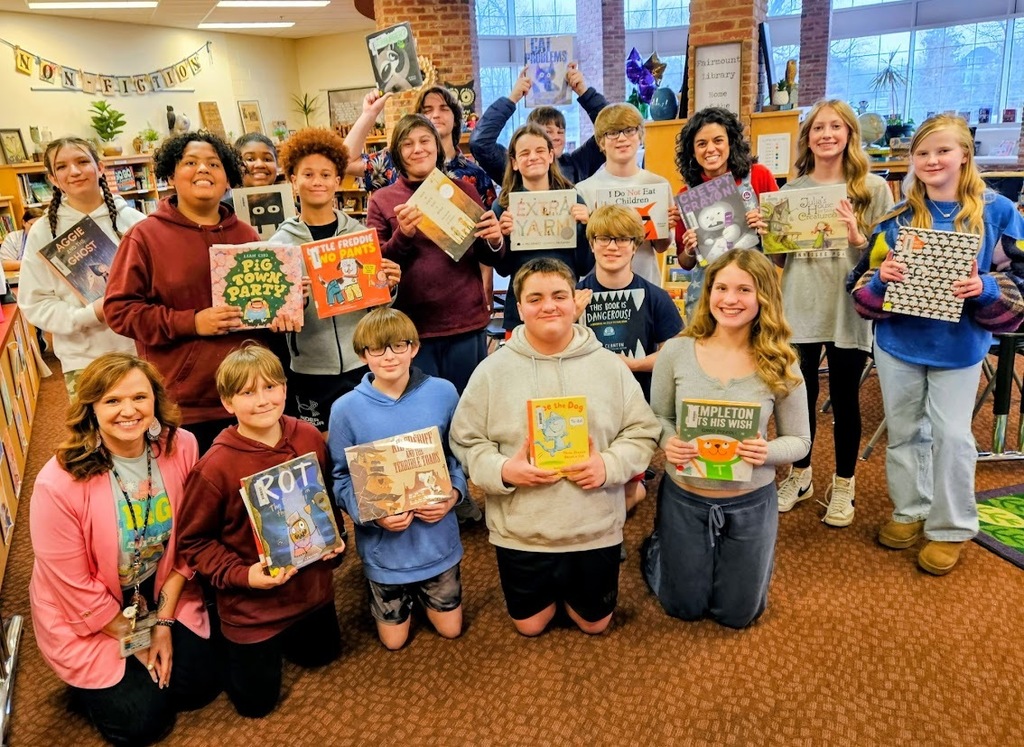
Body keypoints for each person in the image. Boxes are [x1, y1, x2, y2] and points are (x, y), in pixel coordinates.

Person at [850, 114, 1024, 576]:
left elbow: (1018, 280)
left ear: (964, 154)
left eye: (942, 151)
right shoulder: (897, 217)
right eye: (922, 153)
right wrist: (880, 279)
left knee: (952, 437)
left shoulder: (998, 215)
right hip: (899, 342)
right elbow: (860, 281)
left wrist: (985, 287)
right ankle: (911, 508)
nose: (931, 160)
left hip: (960, 346)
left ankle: (951, 525)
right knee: (905, 431)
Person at [450, 257, 660, 637]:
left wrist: (609, 466)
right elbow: (465, 439)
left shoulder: (609, 366)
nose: (548, 306)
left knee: (594, 625)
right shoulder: (491, 371)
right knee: (530, 626)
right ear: (519, 307)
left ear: (576, 301)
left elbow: (643, 432)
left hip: (592, 526)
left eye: (559, 295)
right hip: (522, 530)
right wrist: (501, 471)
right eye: (535, 298)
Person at [29, 353, 219, 746]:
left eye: (139, 397)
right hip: (92, 605)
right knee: (142, 724)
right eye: (112, 401)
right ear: (91, 409)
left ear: (155, 401)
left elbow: (189, 541)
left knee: (198, 688)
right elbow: (72, 584)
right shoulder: (57, 483)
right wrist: (136, 641)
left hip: (157, 585)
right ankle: (87, 689)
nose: (129, 411)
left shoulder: (180, 445)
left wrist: (163, 625)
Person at [643, 249, 810, 629]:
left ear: (763, 296)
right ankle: (658, 548)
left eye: (743, 290)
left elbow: (800, 441)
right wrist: (668, 441)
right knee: (681, 607)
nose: (730, 299)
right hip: (686, 495)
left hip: (749, 503)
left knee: (739, 614)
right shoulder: (677, 351)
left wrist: (766, 451)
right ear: (709, 292)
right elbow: (659, 418)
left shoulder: (780, 360)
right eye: (721, 288)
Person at [104, 131, 300, 454]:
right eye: (190, 163)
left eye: (214, 163)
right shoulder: (144, 237)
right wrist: (192, 322)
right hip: (187, 404)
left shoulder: (245, 234)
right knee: (198, 492)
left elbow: (262, 311)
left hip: (249, 396)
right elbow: (120, 310)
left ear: (227, 177)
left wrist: (286, 303)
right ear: (171, 174)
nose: (203, 170)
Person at [176, 344, 345, 717]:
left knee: (325, 656)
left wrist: (337, 542)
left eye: (270, 387)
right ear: (227, 403)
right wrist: (242, 575)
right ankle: (223, 642)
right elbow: (193, 542)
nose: (263, 400)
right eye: (247, 392)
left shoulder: (308, 437)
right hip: (252, 607)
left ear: (286, 389)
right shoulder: (214, 467)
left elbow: (325, 502)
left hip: (311, 591)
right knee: (256, 705)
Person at [770, 100, 895, 525]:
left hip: (847, 307)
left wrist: (859, 235)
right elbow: (780, 262)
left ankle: (844, 484)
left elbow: (884, 260)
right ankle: (801, 474)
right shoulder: (789, 193)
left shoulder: (873, 190)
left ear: (849, 135)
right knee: (799, 399)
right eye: (818, 127)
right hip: (800, 303)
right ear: (807, 137)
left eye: (835, 127)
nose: (826, 134)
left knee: (844, 398)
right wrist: (767, 233)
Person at [328, 308, 466, 650]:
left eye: (399, 345)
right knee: (394, 642)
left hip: (438, 542)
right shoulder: (345, 409)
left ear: (414, 348)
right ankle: (391, 594)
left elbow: (459, 456)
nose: (389, 356)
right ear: (363, 355)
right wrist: (372, 515)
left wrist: (454, 495)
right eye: (377, 349)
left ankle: (429, 592)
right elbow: (341, 478)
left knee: (451, 631)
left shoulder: (444, 393)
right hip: (384, 550)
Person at [269, 127, 401, 431]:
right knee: (320, 445)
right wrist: (292, 306)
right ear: (292, 180)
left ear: (338, 181)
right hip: (309, 369)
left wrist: (390, 287)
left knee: (367, 437)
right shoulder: (280, 244)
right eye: (308, 174)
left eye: (326, 175)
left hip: (362, 362)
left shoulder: (359, 235)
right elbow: (275, 321)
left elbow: (377, 299)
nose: (318, 182)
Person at [364, 114, 504, 395]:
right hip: (413, 333)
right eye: (408, 144)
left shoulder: (463, 191)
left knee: (469, 408)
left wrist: (496, 240)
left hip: (466, 323)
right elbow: (376, 269)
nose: (418, 149)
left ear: (438, 146)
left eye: (425, 140)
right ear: (397, 154)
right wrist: (403, 235)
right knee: (424, 414)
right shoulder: (383, 200)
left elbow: (489, 258)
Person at [19, 138, 145, 396]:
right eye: (62, 167)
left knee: (150, 427)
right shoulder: (43, 232)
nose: (74, 172)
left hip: (141, 350)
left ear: (100, 168)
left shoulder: (135, 221)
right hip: (83, 361)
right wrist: (91, 314)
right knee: (93, 434)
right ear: (53, 179)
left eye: (82, 162)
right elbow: (35, 303)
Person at [576, 205, 683, 509]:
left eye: (622, 239)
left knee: (625, 497)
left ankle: (632, 487)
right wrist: (568, 322)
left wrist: (632, 364)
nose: (612, 246)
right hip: (587, 405)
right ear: (592, 243)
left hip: (638, 403)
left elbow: (672, 354)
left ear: (636, 246)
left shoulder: (655, 297)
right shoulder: (574, 296)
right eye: (604, 238)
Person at [675, 107, 779, 318]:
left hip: (753, 288)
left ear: (730, 142)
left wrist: (766, 228)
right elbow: (685, 263)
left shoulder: (758, 176)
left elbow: (781, 247)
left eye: (718, 140)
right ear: (692, 152)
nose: (710, 149)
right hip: (708, 290)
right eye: (702, 144)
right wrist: (689, 249)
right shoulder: (687, 195)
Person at [491, 123, 593, 333]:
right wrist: (502, 238)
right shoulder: (503, 205)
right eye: (524, 153)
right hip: (520, 309)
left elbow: (584, 266)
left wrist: (586, 228)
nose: (533, 157)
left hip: (564, 305)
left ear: (550, 155)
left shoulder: (573, 200)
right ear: (515, 162)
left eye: (539, 151)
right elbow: (503, 269)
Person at [574, 103, 674, 286]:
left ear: (640, 135)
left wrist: (666, 227)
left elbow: (661, 247)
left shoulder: (658, 185)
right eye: (612, 132)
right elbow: (582, 255)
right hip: (599, 290)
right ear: (601, 142)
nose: (621, 138)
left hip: (645, 282)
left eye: (629, 130)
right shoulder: (584, 190)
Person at [344, 86, 496, 205]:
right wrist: (369, 114)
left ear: (455, 118)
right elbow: (346, 162)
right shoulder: (393, 160)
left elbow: (488, 233)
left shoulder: (477, 176)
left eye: (444, 108)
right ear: (418, 119)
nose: (436, 115)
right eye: (427, 110)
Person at [470, 63, 608, 184]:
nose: (557, 137)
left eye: (560, 132)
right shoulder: (515, 167)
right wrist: (512, 98)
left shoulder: (577, 165)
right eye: (548, 132)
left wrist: (584, 92)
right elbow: (480, 143)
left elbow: (613, 130)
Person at [1, 206, 43, 274]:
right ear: (24, 223)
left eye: (40, 225)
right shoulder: (13, 237)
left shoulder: (48, 237)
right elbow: (4, 264)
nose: (36, 229)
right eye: (32, 225)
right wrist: (32, 264)